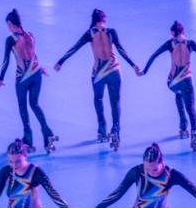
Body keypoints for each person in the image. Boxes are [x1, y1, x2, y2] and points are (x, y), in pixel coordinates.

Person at [53, 8, 140, 152]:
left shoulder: (90, 33)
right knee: (114, 101)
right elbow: (121, 50)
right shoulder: (110, 32)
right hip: (113, 70)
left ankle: (102, 129)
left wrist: (60, 62)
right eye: (102, 21)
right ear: (101, 21)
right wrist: (133, 65)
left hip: (99, 72)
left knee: (99, 99)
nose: (103, 24)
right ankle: (115, 130)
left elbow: (75, 48)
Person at [139, 21, 196, 151]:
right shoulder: (190, 44)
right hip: (186, 80)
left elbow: (154, 55)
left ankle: (182, 127)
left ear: (173, 34)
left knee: (178, 94)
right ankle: (194, 135)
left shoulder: (170, 44)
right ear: (183, 32)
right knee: (190, 108)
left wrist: (144, 71)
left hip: (172, 82)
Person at [0, 9, 58, 153]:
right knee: (35, 104)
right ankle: (48, 133)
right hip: (36, 74)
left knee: (23, 106)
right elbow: (33, 54)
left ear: (10, 24)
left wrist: (1, 78)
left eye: (7, 25)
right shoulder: (30, 35)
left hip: (23, 78)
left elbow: (6, 61)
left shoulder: (11, 40)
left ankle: (28, 140)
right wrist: (40, 68)